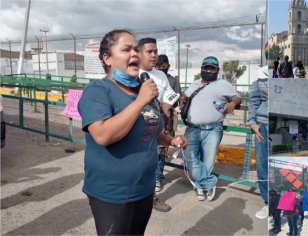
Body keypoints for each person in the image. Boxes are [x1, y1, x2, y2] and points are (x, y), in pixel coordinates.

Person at [77, 29, 187, 235]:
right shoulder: (97, 91)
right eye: (126, 49)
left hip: (144, 189)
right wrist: (140, 102)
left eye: (136, 49)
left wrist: (171, 140)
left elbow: (149, 130)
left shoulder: (142, 91)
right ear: (107, 58)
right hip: (112, 193)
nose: (135, 54)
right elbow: (103, 135)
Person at [180, 56, 241, 201]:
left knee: (208, 161)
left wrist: (233, 104)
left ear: (217, 70)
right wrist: (183, 99)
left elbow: (237, 97)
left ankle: (200, 187)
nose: (208, 70)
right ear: (201, 68)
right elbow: (186, 96)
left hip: (213, 129)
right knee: (189, 158)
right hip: (192, 128)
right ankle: (209, 182)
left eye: (212, 68)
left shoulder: (223, 84)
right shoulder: (195, 83)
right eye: (206, 67)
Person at [138, 38, 179, 212]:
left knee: (151, 164)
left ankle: (151, 198)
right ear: (139, 53)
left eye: (155, 51)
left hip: (156, 129)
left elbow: (170, 96)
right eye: (149, 51)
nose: (153, 55)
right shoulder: (132, 72)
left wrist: (165, 109)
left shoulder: (161, 75)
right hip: (135, 129)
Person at [248, 65, 269, 218]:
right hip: (262, 126)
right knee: (262, 165)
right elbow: (254, 100)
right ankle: (268, 203)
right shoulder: (261, 74)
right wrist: (252, 122)